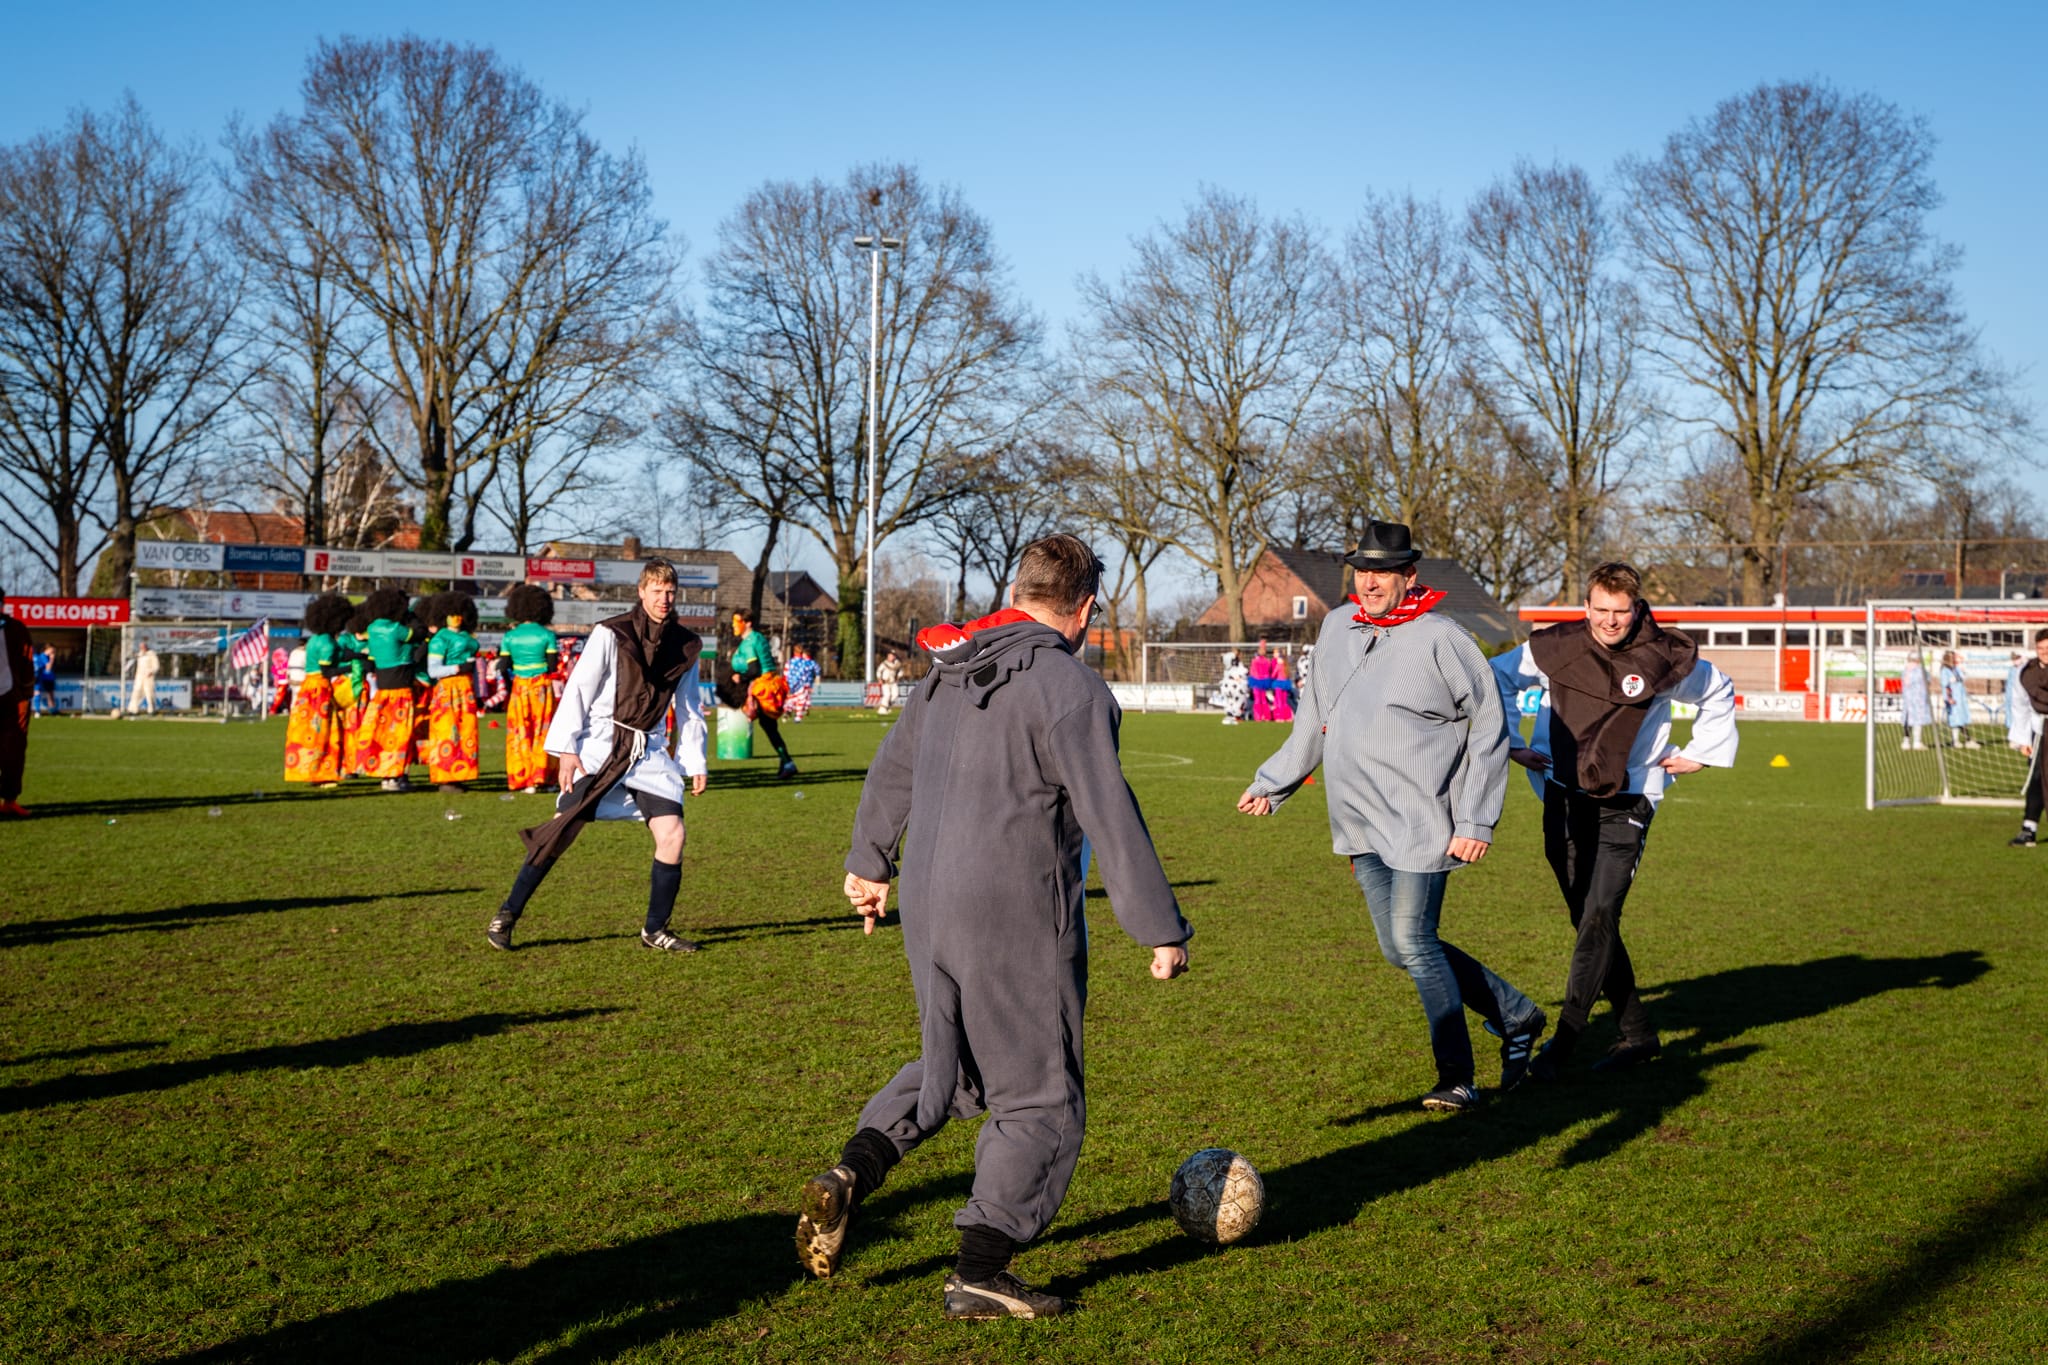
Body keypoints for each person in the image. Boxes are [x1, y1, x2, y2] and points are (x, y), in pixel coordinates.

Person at [795, 533, 1190, 1321]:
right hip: (1012, 909)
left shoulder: (949, 670)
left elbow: (892, 770)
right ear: (1085, 609)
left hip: (929, 904)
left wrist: (870, 862)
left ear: (1019, 593)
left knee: (958, 1063)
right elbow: (1110, 813)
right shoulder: (1069, 686)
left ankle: (852, 1172)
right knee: (1041, 1091)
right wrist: (1159, 924)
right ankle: (981, 1267)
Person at [1237, 520, 1542, 1112]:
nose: (1370, 582)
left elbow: (1489, 723)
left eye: (1383, 572)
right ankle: (1516, 1014)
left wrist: (1475, 821)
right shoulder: (1336, 626)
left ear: (1409, 576)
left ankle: (1457, 1077)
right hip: (1358, 822)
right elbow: (1314, 716)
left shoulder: (1442, 637)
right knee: (1400, 947)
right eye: (1362, 571)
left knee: (1414, 941)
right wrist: (1274, 784)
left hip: (1423, 821)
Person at [1490, 560, 1738, 1080]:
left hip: (1629, 802)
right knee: (1589, 920)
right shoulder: (1554, 647)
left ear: (1637, 608)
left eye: (1620, 612)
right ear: (1586, 606)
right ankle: (1638, 1033)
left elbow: (1718, 691)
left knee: (1600, 914)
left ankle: (1566, 1038)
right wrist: (1512, 741)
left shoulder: (1663, 656)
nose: (1610, 621)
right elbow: (1498, 677)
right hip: (1562, 796)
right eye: (1601, 610)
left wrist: (1701, 752)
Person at [486, 560, 710, 954]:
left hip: (648, 751)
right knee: (562, 830)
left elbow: (690, 706)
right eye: (656, 591)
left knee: (673, 833)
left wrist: (695, 761)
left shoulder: (686, 644)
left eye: (670, 592)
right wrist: (567, 749)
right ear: (641, 592)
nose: (664, 598)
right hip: (601, 746)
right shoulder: (611, 632)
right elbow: (579, 688)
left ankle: (655, 930)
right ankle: (507, 913)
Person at [284, 594, 356, 786]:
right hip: (320, 689)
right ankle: (322, 772)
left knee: (310, 731)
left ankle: (311, 770)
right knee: (324, 731)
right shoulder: (327, 642)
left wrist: (357, 656)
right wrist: (351, 668)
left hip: (308, 688)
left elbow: (339, 656)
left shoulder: (315, 639)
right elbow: (328, 671)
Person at [354, 589, 418, 791]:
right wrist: (411, 615)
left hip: (383, 690)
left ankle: (389, 774)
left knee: (383, 734)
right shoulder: (396, 628)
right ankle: (394, 776)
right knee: (400, 735)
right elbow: (418, 633)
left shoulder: (372, 628)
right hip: (401, 690)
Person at [720, 608, 797, 776]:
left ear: (747, 623)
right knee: (769, 726)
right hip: (771, 684)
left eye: (737, 622)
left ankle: (787, 762)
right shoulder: (758, 637)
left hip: (762, 688)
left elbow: (754, 669)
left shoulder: (749, 642)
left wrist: (739, 677)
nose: (733, 626)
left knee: (769, 727)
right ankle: (786, 762)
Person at [501, 584, 561, 792]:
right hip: (542, 687)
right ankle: (542, 777)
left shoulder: (509, 637)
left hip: (519, 687)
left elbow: (503, 667)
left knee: (520, 732)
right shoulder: (547, 635)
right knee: (543, 731)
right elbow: (552, 666)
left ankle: (523, 778)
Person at [425, 592, 482, 792]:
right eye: (452, 614)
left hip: (466, 690)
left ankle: (460, 774)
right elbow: (433, 671)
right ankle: (445, 778)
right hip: (447, 689)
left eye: (459, 613)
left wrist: (478, 693)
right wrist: (457, 668)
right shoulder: (440, 639)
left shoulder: (468, 639)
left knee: (466, 732)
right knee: (447, 732)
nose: (456, 617)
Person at [2003, 630, 2048, 847]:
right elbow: (2019, 706)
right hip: (2039, 731)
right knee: (2036, 778)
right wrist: (2023, 740)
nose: (2044, 652)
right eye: (2040, 648)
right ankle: (2029, 829)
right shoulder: (2027, 672)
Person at [0, 589, 32, 817]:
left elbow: (27, 659)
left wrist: (26, 692)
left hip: (12, 698)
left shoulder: (16, 628)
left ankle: (10, 800)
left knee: (14, 751)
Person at [1939, 651, 1978, 748]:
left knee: (1960, 718)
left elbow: (1963, 677)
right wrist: (1949, 698)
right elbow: (1945, 685)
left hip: (1960, 698)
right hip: (1953, 698)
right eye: (1953, 657)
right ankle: (1965, 740)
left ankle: (1958, 741)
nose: (1955, 659)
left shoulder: (1955, 669)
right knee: (1956, 719)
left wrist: (1963, 670)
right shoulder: (1945, 671)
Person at [1900, 655, 1932, 750]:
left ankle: (1906, 741)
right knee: (1917, 720)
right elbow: (1928, 681)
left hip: (1908, 698)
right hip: (1919, 698)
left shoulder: (1906, 670)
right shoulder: (1920, 670)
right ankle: (1917, 742)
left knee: (1908, 719)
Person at [784, 644, 820, 722]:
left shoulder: (789, 662)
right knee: (800, 700)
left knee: (791, 699)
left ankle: (788, 710)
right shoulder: (805, 662)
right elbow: (809, 672)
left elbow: (785, 674)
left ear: (794, 652)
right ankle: (798, 717)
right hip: (801, 684)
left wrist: (787, 683)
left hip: (791, 684)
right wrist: (814, 680)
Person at [1215, 648, 1251, 724]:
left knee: (1231, 702)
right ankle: (1235, 716)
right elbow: (1245, 672)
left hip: (1227, 686)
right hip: (1235, 686)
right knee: (1237, 701)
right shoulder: (1236, 665)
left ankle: (1231, 716)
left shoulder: (1230, 666)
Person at [128, 642, 160, 715]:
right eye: (141, 647)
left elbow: (156, 666)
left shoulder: (151, 654)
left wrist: (151, 671)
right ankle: (133, 709)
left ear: (146, 647)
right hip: (139, 677)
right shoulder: (139, 655)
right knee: (136, 693)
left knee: (149, 693)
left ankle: (151, 710)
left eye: (143, 647)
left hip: (148, 677)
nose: (142, 648)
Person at [874, 647, 905, 716]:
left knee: (895, 694)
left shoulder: (897, 664)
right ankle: (882, 710)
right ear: (888, 656)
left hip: (893, 682)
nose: (892, 657)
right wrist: (879, 679)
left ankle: (886, 707)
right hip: (885, 682)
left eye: (893, 655)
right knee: (887, 695)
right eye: (890, 655)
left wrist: (898, 677)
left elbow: (901, 671)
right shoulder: (884, 664)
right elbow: (878, 671)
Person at [31, 646, 56, 716]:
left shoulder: (37, 657)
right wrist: (52, 659)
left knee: (37, 693)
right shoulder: (40, 657)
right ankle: (36, 711)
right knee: (34, 694)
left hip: (36, 678)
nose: (53, 652)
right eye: (52, 650)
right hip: (35, 678)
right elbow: (47, 668)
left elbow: (40, 667)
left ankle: (38, 711)